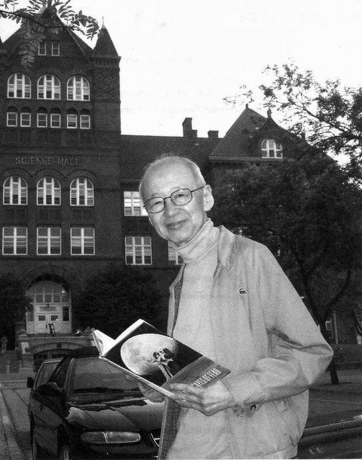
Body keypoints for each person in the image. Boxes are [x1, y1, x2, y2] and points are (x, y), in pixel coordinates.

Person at [138, 155, 333, 460]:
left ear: (207, 197)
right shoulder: (180, 280)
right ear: (150, 217)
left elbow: (312, 352)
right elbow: (197, 372)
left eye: (180, 195)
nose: (170, 210)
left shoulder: (250, 258)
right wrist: (153, 379)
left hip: (250, 449)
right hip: (186, 448)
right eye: (156, 202)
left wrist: (234, 391)